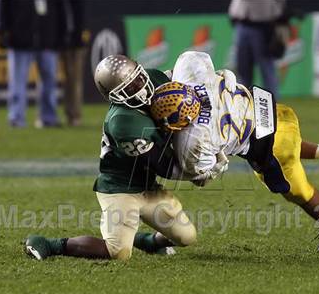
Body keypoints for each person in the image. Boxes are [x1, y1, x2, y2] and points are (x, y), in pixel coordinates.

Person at [150, 51, 319, 251]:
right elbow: (198, 57)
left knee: (299, 194)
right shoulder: (189, 72)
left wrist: (213, 159)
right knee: (283, 139)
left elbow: (202, 176)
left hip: (270, 146)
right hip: (271, 110)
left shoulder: (193, 139)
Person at [25, 55, 199, 261]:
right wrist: (199, 171)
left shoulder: (153, 79)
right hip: (120, 188)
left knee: (187, 237)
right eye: (130, 87)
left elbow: (187, 85)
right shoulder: (123, 121)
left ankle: (148, 242)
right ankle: (50, 244)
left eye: (138, 79)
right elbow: (162, 165)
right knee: (118, 252)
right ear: (116, 96)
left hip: (147, 184)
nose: (140, 87)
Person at [0, 0, 63, 127]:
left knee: (49, 80)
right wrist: (0, 30)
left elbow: (60, 7)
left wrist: (60, 34)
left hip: (47, 39)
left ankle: (48, 117)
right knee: (17, 81)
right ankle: (16, 117)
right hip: (20, 39)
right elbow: (2, 5)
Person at [229, 0, 287, 98]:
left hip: (263, 26)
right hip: (241, 23)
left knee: (267, 68)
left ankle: (273, 105)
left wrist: (279, 16)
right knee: (243, 70)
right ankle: (241, 104)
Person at [61, 0, 86, 127]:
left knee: (75, 81)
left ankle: (74, 115)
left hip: (75, 43)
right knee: (47, 79)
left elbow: (80, 16)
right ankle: (47, 116)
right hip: (56, 42)